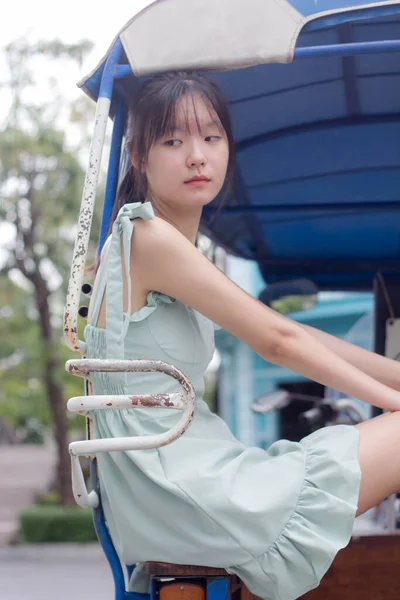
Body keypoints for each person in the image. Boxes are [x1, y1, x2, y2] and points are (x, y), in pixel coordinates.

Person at [85, 71, 400, 600]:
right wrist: (394, 402)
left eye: (211, 137)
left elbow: (287, 329)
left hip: (178, 479)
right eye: (172, 140)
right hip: (180, 485)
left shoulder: (161, 245)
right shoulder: (146, 235)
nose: (197, 156)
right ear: (138, 156)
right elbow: (276, 341)